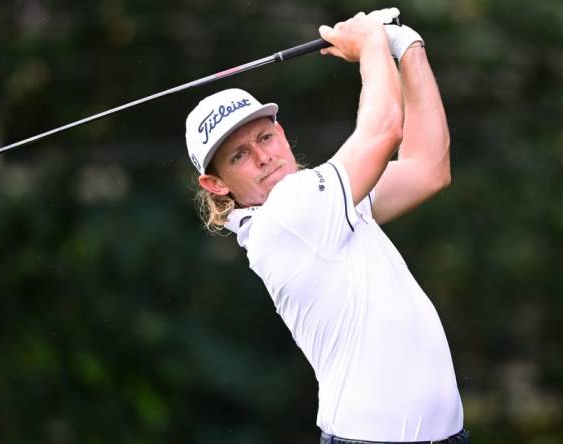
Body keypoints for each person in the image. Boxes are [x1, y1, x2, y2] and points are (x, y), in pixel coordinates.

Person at [184, 8, 469, 444]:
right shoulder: (287, 214)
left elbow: (429, 168)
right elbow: (384, 131)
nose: (262, 156)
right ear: (216, 184)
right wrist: (371, 42)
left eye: (264, 137)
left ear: (281, 131)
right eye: (238, 155)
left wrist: (407, 49)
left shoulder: (322, 201)